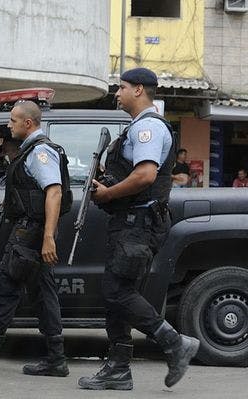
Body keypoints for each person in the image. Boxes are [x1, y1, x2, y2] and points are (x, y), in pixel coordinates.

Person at [79, 67, 199, 391]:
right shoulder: (138, 127)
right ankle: (118, 368)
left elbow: (145, 176)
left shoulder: (147, 128)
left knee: (118, 292)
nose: (117, 94)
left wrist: (107, 193)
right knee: (114, 294)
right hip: (131, 222)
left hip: (138, 223)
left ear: (138, 90)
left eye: (121, 87)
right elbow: (134, 173)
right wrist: (107, 177)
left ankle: (174, 343)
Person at [0, 101, 68, 378]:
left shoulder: (39, 151)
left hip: (29, 234)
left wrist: (47, 238)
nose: (9, 125)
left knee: (3, 290)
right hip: (31, 231)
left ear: (28, 123)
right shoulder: (30, 151)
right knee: (44, 294)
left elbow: (53, 192)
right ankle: (56, 359)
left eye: (13, 121)